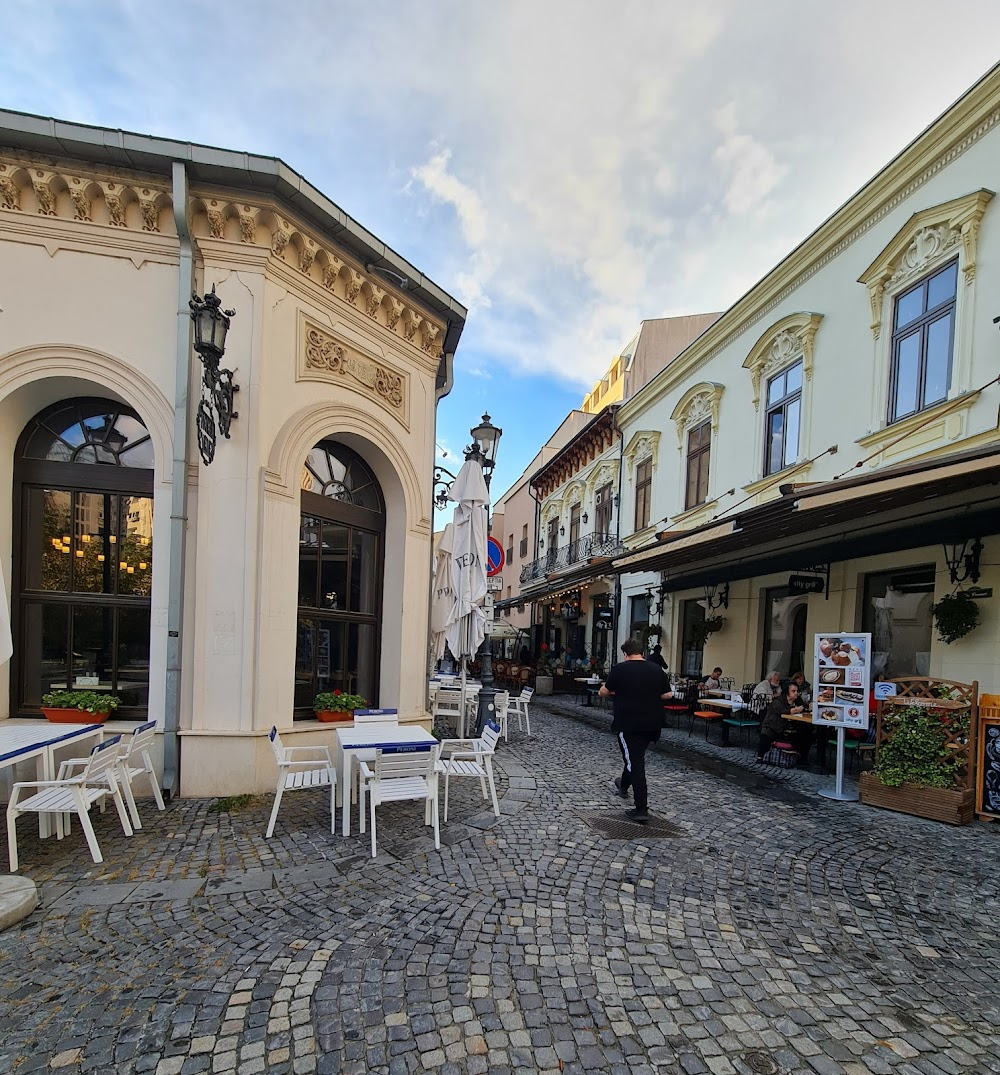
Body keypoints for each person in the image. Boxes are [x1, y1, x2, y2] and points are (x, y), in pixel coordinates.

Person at [599, 638, 674, 824]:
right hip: (653, 724)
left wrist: (605, 687)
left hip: (629, 723)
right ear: (642, 652)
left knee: (635, 762)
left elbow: (604, 692)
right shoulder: (657, 670)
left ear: (625, 654)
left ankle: (641, 809)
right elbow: (668, 694)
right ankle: (623, 785)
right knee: (634, 756)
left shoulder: (619, 669)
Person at [755, 681, 811, 763]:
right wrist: (794, 710)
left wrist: (807, 707)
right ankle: (761, 756)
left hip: (792, 725)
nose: (796, 693)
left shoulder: (798, 700)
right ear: (787, 692)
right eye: (793, 691)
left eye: (797, 691)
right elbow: (782, 711)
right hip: (775, 724)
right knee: (767, 731)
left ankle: (801, 757)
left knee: (806, 732)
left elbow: (805, 708)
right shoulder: (778, 700)